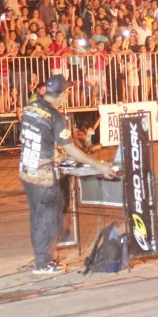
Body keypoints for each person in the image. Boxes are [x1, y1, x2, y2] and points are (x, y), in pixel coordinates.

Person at [18, 74, 115, 275]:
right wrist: (98, 166)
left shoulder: (30, 108)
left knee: (37, 216)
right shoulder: (55, 116)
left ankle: (41, 257)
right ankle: (44, 263)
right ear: (61, 94)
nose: (67, 96)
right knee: (48, 218)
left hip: (26, 171)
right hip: (43, 176)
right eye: (67, 93)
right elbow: (70, 148)